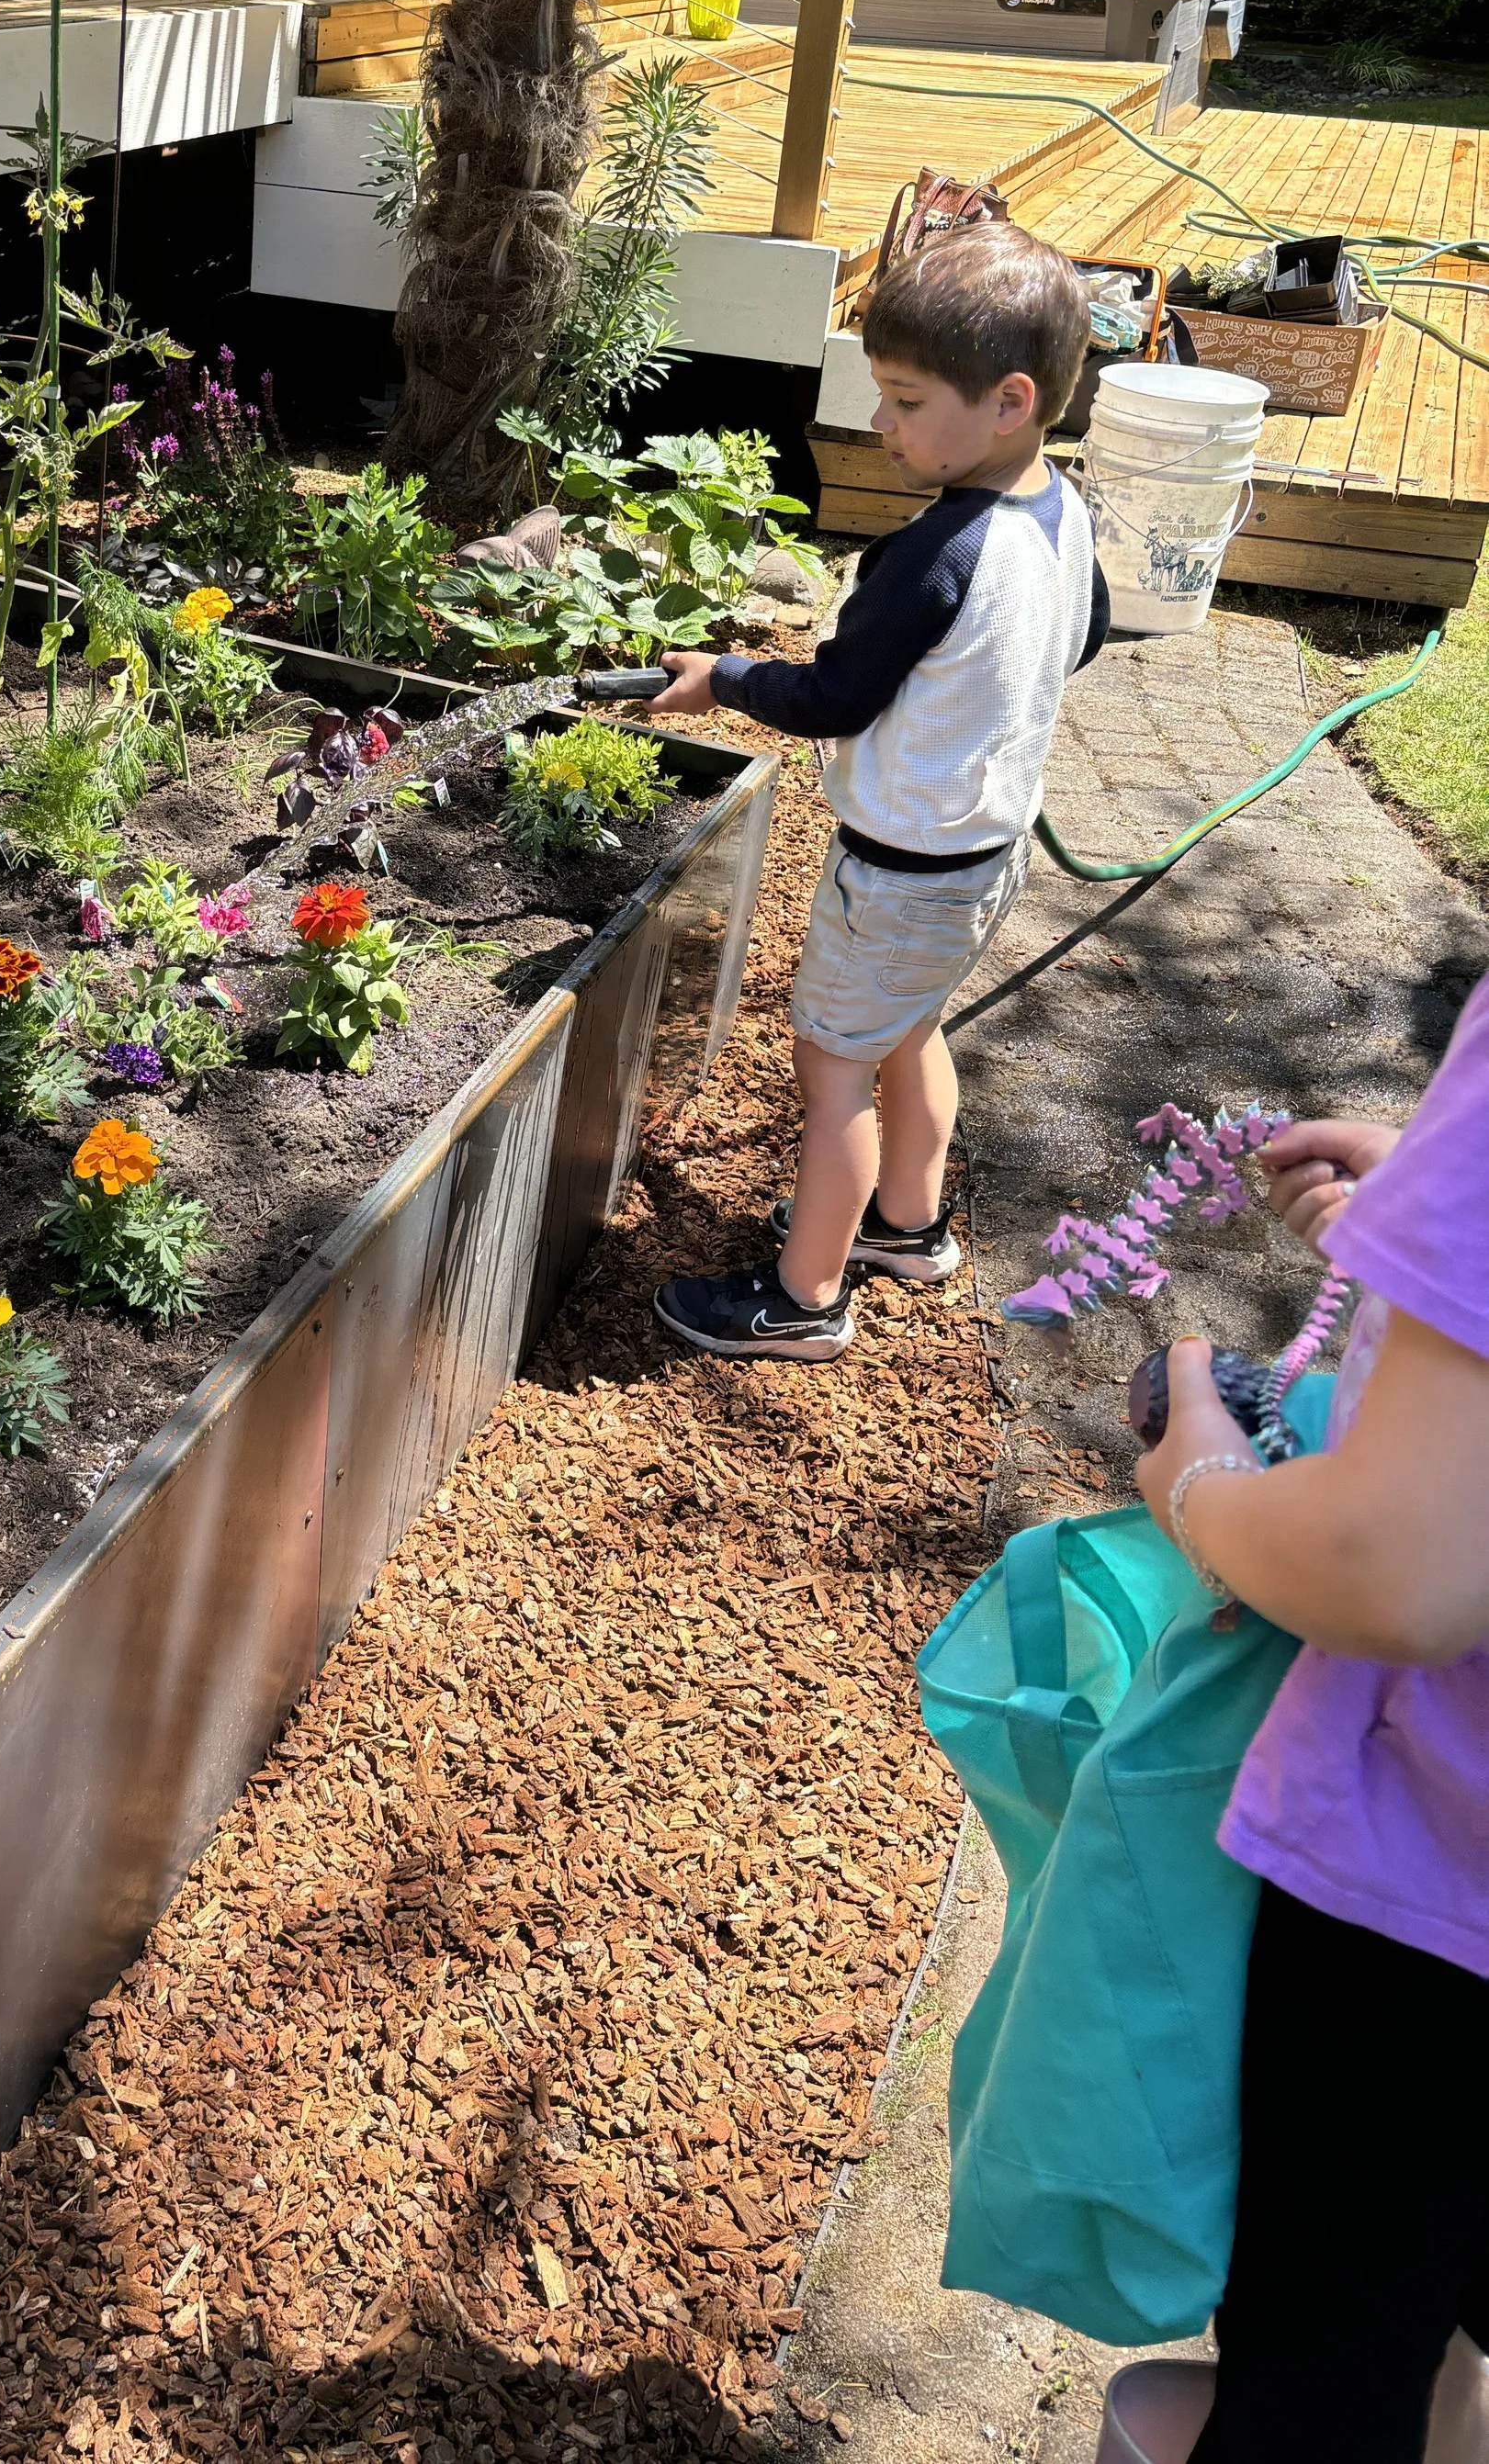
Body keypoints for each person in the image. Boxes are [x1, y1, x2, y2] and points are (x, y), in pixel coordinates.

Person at [1131, 982, 1489, 2464]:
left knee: (1320, 2384)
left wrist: (1194, 1475)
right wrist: (1429, 1223)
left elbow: (1398, 1568)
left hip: (1437, 1922)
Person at [646, 222, 1107, 1360]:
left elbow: (836, 697)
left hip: (900, 871)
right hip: (979, 861)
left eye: (902, 401)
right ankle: (906, 1227)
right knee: (910, 1031)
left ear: (1007, 402)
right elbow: (1084, 631)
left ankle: (804, 1299)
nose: (877, 423)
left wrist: (728, 679)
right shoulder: (1060, 509)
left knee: (834, 1071)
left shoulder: (937, 554)